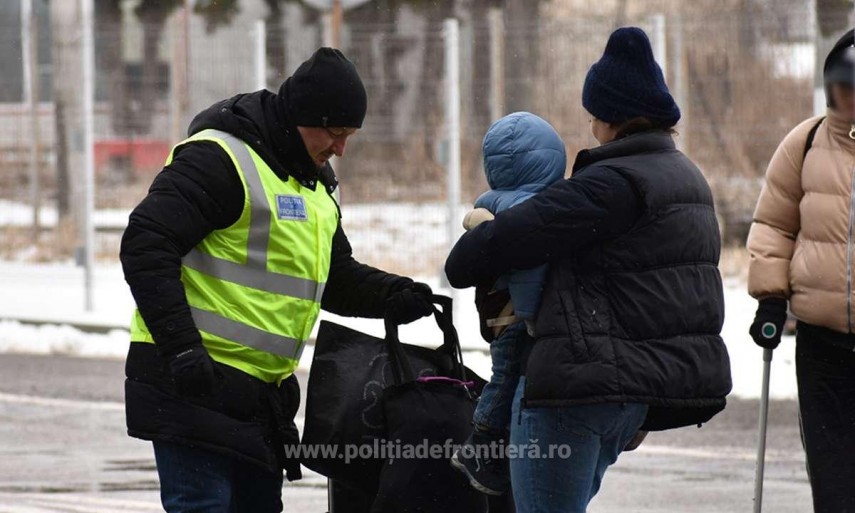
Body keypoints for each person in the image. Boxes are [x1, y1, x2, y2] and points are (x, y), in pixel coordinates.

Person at [120, 48, 434, 513]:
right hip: (193, 384)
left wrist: (394, 295)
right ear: (303, 116)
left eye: (349, 136)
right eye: (335, 132)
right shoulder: (220, 159)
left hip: (259, 400)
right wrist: (182, 347)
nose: (341, 148)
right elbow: (146, 242)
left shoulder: (315, 184)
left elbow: (334, 277)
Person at [445, 27, 732, 513]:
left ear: (608, 115)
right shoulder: (687, 178)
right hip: (633, 393)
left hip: (573, 397)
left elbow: (470, 260)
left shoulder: (609, 187)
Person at [746, 28, 855, 512]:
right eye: (843, 86)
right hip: (822, 345)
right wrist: (771, 296)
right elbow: (773, 224)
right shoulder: (805, 142)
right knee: (832, 480)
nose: (849, 98)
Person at [450, 112, 567, 496]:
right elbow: (528, 275)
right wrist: (534, 319)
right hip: (519, 317)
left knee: (505, 377)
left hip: (501, 316)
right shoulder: (532, 210)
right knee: (507, 379)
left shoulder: (496, 204)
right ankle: (480, 445)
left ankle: (488, 444)